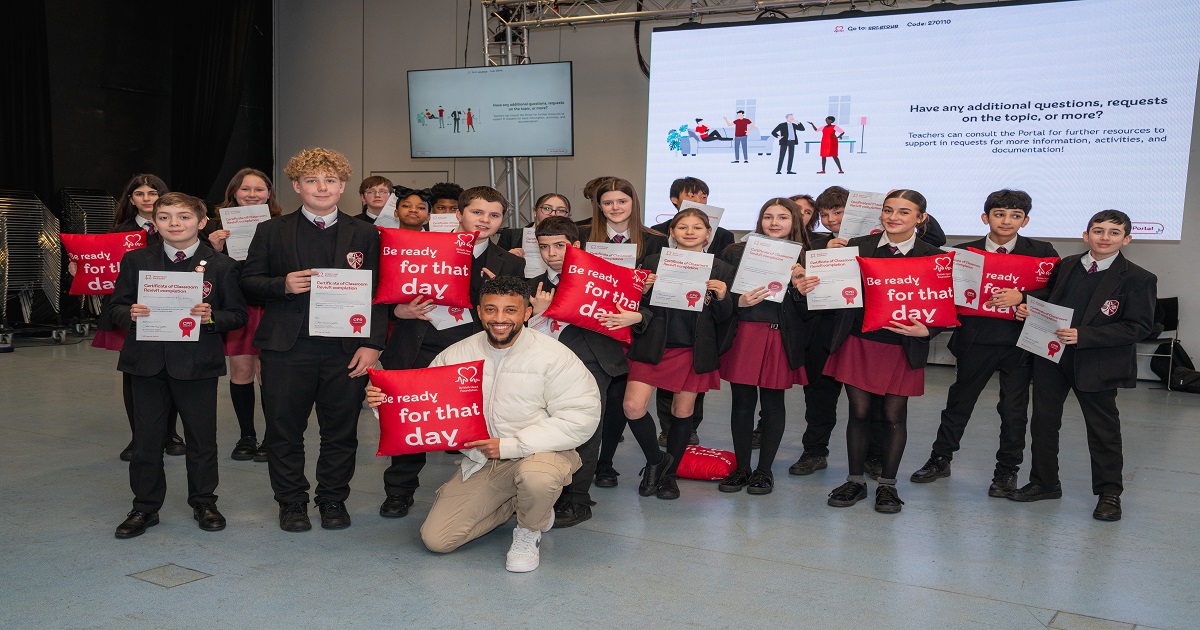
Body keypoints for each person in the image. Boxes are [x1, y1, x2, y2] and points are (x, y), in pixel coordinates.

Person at [367, 276, 600, 572]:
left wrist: (510, 445)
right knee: (437, 539)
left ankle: (529, 529)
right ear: (479, 311)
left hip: (542, 453)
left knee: (537, 479)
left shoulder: (554, 356)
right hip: (484, 461)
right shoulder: (456, 354)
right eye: (491, 310)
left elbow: (580, 418)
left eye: (510, 311)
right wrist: (385, 404)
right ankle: (522, 503)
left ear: (527, 312)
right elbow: (424, 407)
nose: (500, 319)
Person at [240, 147, 387, 532]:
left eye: (330, 180)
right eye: (311, 180)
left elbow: (378, 293)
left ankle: (333, 499)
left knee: (340, 432)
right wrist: (282, 285)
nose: (321, 187)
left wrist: (372, 344)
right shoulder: (271, 230)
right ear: (296, 186)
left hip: (346, 350)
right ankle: (291, 502)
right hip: (287, 349)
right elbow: (248, 283)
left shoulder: (366, 233)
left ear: (342, 187)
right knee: (284, 431)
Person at [377, 186, 525, 519]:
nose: (484, 220)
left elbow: (514, 312)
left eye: (494, 215)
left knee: (481, 424)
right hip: (418, 344)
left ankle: (486, 493)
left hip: (474, 352)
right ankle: (399, 491)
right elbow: (382, 294)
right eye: (477, 212)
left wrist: (494, 288)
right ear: (458, 214)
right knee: (410, 421)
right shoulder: (420, 246)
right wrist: (396, 312)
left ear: (502, 221)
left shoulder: (510, 264)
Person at [107, 192, 248, 538]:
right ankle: (144, 507)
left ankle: (204, 501)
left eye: (183, 217)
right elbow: (115, 307)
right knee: (147, 440)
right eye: (165, 216)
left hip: (197, 365)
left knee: (202, 438)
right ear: (154, 222)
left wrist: (212, 318)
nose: (174, 223)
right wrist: (130, 314)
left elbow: (238, 315)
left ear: (201, 223)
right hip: (146, 364)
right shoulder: (136, 260)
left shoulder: (222, 266)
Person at [1009, 210, 1157, 522]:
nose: (1105, 237)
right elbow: (1052, 297)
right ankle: (1044, 482)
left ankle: (1109, 494)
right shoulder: (1067, 265)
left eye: (1114, 233)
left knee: (1103, 430)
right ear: (1085, 234)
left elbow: (1139, 326)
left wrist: (1085, 335)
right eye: (1098, 230)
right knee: (1044, 423)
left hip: (1097, 363)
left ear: (1126, 239)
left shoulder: (1138, 278)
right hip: (1052, 356)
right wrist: (1028, 306)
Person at [908, 190, 1057, 497]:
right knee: (959, 403)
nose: (1007, 221)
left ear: (1025, 220)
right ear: (985, 217)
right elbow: (945, 297)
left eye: (1015, 216)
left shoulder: (1042, 251)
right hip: (976, 340)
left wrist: (1024, 298)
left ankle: (1007, 471)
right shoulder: (962, 253)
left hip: (1021, 343)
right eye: (999, 214)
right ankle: (940, 459)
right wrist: (929, 328)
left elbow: (1058, 293)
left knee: (1014, 410)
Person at [811, 189, 946, 514]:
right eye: (888, 210)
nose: (894, 217)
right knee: (858, 413)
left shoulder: (933, 255)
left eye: (903, 211)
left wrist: (928, 329)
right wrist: (818, 266)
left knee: (893, 416)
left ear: (920, 218)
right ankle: (855, 480)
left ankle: (888, 485)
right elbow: (829, 287)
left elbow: (944, 303)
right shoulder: (859, 247)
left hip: (902, 346)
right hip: (860, 342)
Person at [604, 207, 735, 500]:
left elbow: (727, 317)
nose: (689, 232)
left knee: (682, 412)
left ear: (707, 234)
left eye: (697, 227)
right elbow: (635, 304)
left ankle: (669, 475)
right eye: (682, 227)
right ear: (672, 233)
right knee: (633, 407)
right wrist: (644, 290)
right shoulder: (652, 262)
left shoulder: (721, 268)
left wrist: (723, 297)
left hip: (693, 348)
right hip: (654, 345)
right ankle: (656, 461)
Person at [527, 217, 632, 527]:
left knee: (585, 430)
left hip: (592, 362)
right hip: (543, 367)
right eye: (544, 247)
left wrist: (633, 313)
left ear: (575, 246)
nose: (551, 253)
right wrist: (538, 314)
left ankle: (579, 499)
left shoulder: (603, 277)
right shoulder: (531, 283)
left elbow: (633, 311)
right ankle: (550, 491)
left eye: (559, 245)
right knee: (545, 428)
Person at [717, 198, 812, 495]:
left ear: (794, 222)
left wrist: (799, 289)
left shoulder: (806, 258)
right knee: (742, 404)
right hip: (744, 334)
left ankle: (764, 471)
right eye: (768, 217)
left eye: (782, 217)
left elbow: (812, 313)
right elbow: (721, 297)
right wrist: (738, 302)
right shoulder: (736, 252)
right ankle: (742, 468)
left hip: (779, 337)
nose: (774, 223)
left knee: (773, 405)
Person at [89, 174, 186, 462]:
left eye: (152, 192)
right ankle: (140, 437)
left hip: (173, 310)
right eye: (139, 193)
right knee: (135, 375)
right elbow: (101, 269)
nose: (146, 198)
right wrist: (82, 269)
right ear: (130, 199)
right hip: (130, 313)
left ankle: (170, 433)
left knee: (174, 370)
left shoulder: (180, 227)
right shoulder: (117, 232)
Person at [585, 178, 668, 490]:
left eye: (622, 201)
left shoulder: (656, 242)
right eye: (608, 203)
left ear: (633, 203)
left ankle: (605, 464)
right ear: (599, 206)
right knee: (592, 399)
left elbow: (664, 298)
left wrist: (648, 289)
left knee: (621, 398)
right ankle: (590, 461)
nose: (615, 208)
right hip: (592, 327)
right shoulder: (584, 237)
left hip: (633, 330)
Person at [205, 168, 285, 462]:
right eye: (245, 189)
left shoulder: (281, 224)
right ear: (234, 193)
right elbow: (205, 273)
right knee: (241, 372)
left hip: (271, 305)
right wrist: (214, 248)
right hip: (238, 307)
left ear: (269, 194)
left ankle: (271, 438)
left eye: (259, 189)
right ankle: (247, 436)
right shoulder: (216, 227)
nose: (252, 195)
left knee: (268, 373)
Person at [494, 192, 571, 253]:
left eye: (561, 210)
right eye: (547, 208)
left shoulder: (574, 238)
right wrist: (508, 258)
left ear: (568, 215)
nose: (553, 214)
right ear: (535, 211)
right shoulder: (511, 236)